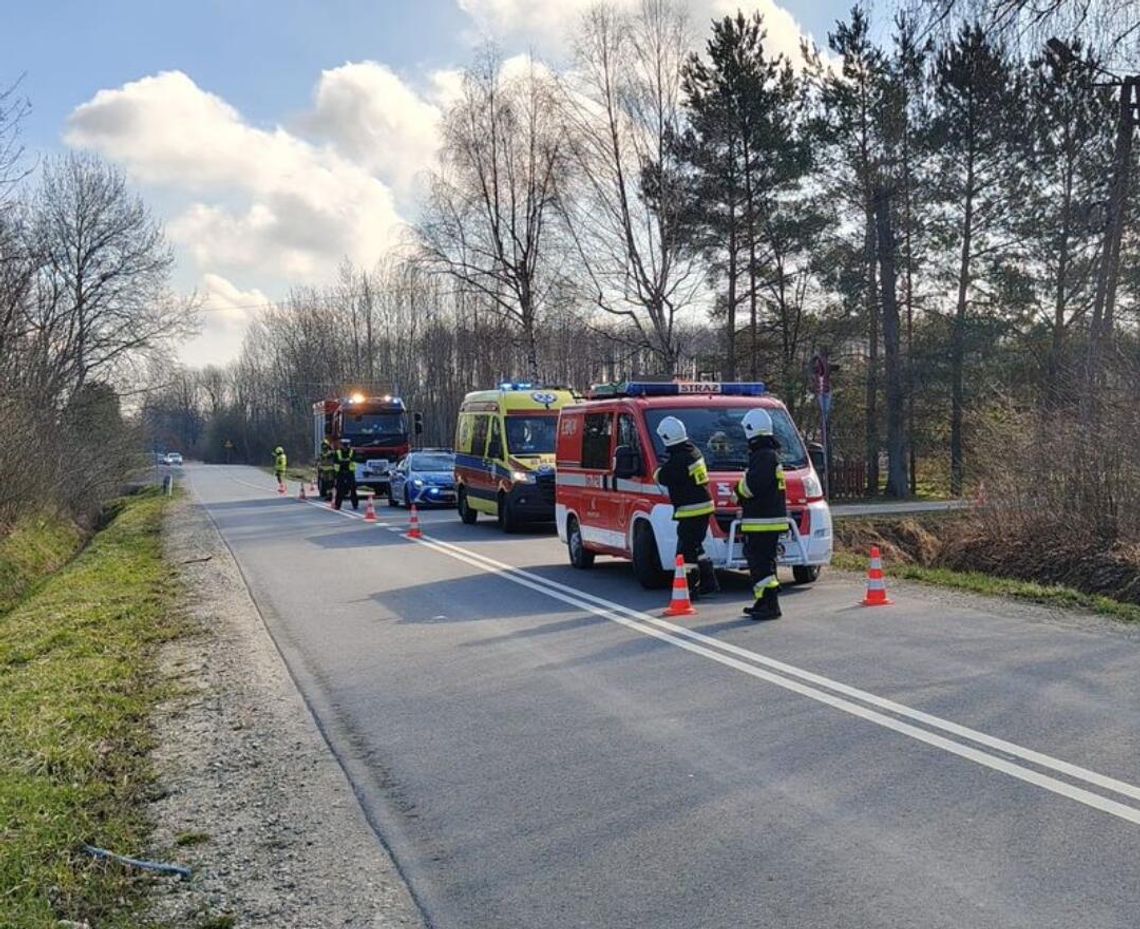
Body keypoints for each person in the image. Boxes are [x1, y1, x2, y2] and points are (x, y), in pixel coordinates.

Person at [652, 416, 718, 598]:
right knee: (696, 545)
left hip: (691, 509)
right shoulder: (693, 451)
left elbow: (663, 477)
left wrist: (658, 470)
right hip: (702, 507)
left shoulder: (679, 459)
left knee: (684, 551)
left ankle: (689, 587)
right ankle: (708, 581)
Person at [735, 408, 788, 619]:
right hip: (766, 520)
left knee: (760, 563)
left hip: (762, 521)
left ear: (751, 431)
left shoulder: (764, 456)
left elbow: (752, 486)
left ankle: (770, 605)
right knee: (762, 562)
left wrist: (738, 490)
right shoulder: (768, 455)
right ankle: (763, 601)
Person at [332, 438, 359, 511]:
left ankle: (355, 505)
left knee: (353, 490)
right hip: (340, 473)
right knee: (339, 490)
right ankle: (337, 505)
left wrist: (343, 462)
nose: (345, 447)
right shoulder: (337, 453)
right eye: (344, 445)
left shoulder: (352, 452)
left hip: (350, 473)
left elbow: (354, 461)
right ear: (341, 445)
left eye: (346, 445)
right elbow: (335, 463)